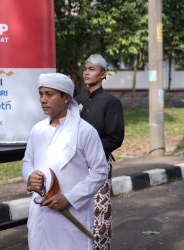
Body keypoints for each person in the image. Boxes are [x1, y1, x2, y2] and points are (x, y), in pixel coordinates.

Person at [22, 73, 108, 250]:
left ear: (66, 97)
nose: (43, 100)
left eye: (49, 94)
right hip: (40, 213)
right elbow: (27, 161)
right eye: (41, 94)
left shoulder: (85, 131)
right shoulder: (37, 130)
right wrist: (30, 176)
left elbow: (100, 171)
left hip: (72, 213)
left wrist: (69, 198)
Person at [75, 54, 125, 250]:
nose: (87, 72)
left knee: (99, 213)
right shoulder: (76, 101)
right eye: (85, 68)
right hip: (76, 165)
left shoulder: (111, 102)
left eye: (92, 69)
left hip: (98, 164)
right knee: (77, 207)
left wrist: (90, 153)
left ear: (103, 74)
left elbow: (115, 138)